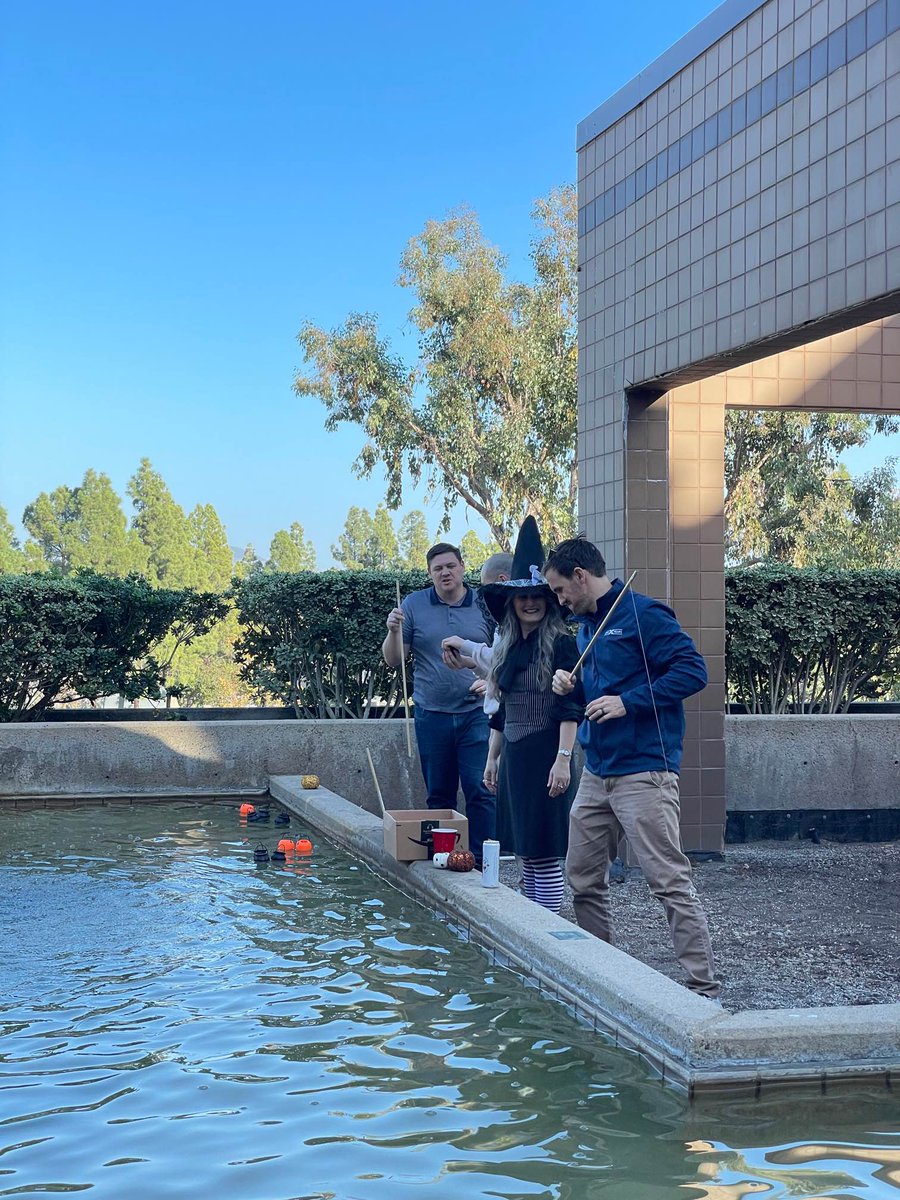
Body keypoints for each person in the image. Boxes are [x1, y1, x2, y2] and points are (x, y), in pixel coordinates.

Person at [544, 535, 720, 1000]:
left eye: (561, 590)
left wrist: (629, 702)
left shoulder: (644, 614)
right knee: (581, 878)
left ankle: (703, 990)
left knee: (667, 880)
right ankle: (602, 976)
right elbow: (595, 702)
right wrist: (571, 690)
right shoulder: (585, 628)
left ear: (581, 576)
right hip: (597, 773)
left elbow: (692, 672)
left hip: (645, 770)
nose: (559, 601)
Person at [478, 518, 582, 912]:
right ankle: (532, 925)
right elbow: (502, 711)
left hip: (547, 754)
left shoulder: (562, 645)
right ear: (510, 602)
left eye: (539, 594)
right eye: (522, 597)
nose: (531, 602)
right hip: (515, 759)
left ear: (550, 598)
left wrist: (563, 760)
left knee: (544, 852)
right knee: (524, 853)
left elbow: (572, 707)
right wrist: (492, 758)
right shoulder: (506, 648)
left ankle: (547, 930)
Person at [382, 542, 496, 865]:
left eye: (450, 566)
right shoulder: (414, 605)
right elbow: (395, 660)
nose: (445, 572)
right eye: (437, 568)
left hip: (477, 714)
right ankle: (442, 860)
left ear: (462, 566)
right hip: (432, 715)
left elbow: (502, 654)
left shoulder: (484, 605)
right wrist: (393, 631)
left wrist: (490, 681)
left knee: (481, 790)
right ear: (430, 574)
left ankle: (483, 862)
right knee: (439, 795)